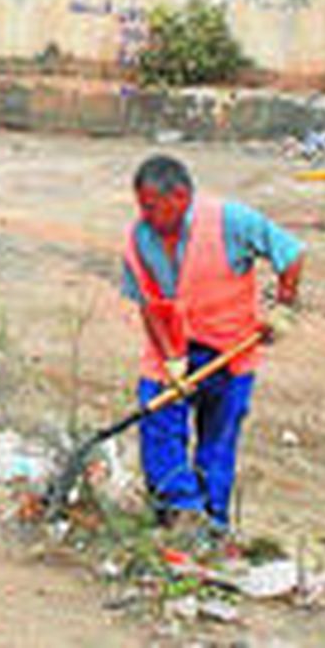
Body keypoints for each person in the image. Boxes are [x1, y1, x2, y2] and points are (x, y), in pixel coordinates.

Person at [120, 153, 305, 541]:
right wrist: (172, 360)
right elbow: (148, 305)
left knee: (218, 440)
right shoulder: (139, 240)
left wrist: (284, 307)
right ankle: (179, 511)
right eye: (141, 205)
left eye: (152, 206)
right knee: (158, 424)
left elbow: (290, 253)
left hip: (230, 349)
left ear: (181, 196)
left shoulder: (230, 222)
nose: (146, 215)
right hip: (171, 348)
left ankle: (214, 525)